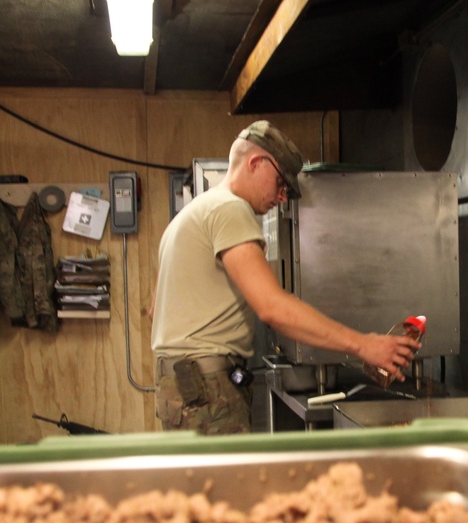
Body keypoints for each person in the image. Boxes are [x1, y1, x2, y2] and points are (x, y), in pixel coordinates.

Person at [151, 120, 422, 435]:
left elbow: (156, 311)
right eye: (281, 184)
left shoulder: (188, 215)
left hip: (180, 388)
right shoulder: (230, 210)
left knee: (200, 485)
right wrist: (364, 345)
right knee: (227, 485)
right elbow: (272, 307)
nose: (282, 197)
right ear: (256, 162)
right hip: (208, 390)